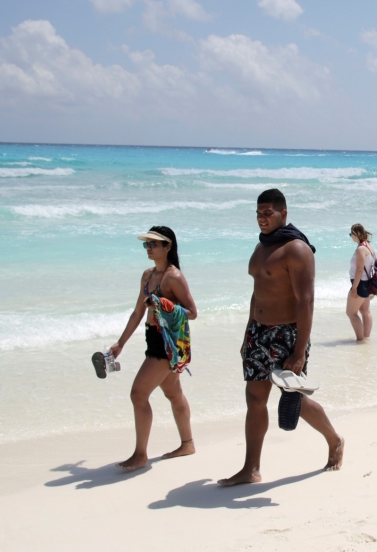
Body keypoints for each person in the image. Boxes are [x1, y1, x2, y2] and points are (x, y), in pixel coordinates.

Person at [219, 189, 343, 486]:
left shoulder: (296, 249)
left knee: (294, 401)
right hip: (258, 332)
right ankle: (251, 468)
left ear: (283, 214)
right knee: (254, 398)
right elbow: (257, 292)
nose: (262, 219)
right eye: (259, 214)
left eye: (268, 213)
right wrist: (248, 332)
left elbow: (306, 301)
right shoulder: (262, 247)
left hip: (287, 333)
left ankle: (335, 439)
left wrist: (299, 351)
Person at [109, 226, 198, 471]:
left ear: (167, 247)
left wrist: (163, 303)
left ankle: (140, 455)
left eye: (153, 244)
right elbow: (138, 312)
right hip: (152, 338)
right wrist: (121, 343)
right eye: (146, 244)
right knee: (173, 393)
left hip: (166, 343)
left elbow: (192, 312)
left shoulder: (174, 277)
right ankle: (187, 444)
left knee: (138, 394)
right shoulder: (148, 275)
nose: (148, 248)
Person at [347, 224, 376, 342]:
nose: (351, 237)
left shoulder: (360, 249)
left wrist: (354, 288)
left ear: (356, 234)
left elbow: (359, 269)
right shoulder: (369, 246)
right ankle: (366, 338)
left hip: (360, 284)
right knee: (365, 311)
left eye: (351, 234)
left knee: (351, 313)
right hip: (367, 283)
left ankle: (360, 340)